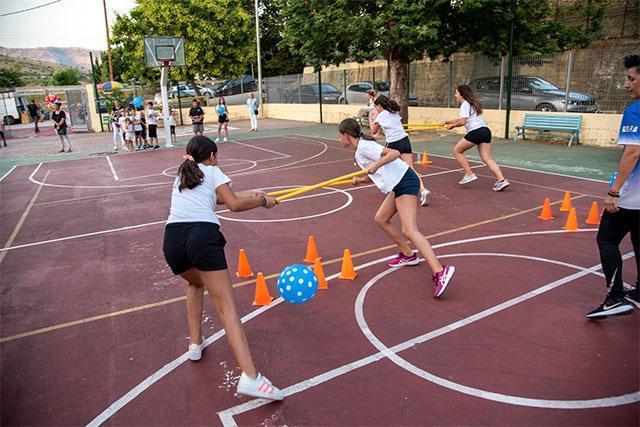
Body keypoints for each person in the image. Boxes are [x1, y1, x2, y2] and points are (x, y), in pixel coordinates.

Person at [162, 135, 283, 400]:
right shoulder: (212, 170)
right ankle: (250, 377)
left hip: (172, 240)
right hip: (202, 237)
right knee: (226, 306)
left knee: (195, 282)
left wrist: (256, 194)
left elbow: (218, 198)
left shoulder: (184, 175)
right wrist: (262, 202)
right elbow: (234, 204)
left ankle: (195, 344)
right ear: (212, 156)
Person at [339, 118, 455, 298]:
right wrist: (360, 180)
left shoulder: (364, 147)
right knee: (381, 219)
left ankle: (440, 271)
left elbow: (394, 153)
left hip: (404, 181)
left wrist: (376, 165)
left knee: (410, 230)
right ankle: (408, 255)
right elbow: (374, 173)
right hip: (397, 183)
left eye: (340, 136)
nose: (339, 139)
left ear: (346, 135)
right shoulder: (360, 151)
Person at [586, 54, 640, 319]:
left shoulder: (635, 110)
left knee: (606, 239)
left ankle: (615, 297)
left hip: (633, 193)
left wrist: (614, 191)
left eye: (631, 79)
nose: (626, 85)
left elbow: (633, 152)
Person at [442, 85, 510, 191]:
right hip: (485, 131)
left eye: (456, 93)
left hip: (476, 131)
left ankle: (469, 174)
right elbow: (463, 119)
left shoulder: (465, 104)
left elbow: (462, 122)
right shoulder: (472, 104)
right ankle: (502, 180)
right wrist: (448, 121)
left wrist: (453, 126)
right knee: (487, 158)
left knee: (457, 151)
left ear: (462, 95)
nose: (455, 96)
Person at [371, 95, 431, 206]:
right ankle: (423, 190)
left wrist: (372, 118)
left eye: (376, 107)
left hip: (393, 143)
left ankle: (391, 188)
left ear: (379, 105)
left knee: (382, 164)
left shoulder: (381, 115)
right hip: (405, 141)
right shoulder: (394, 112)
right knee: (411, 169)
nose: (376, 109)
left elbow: (373, 131)